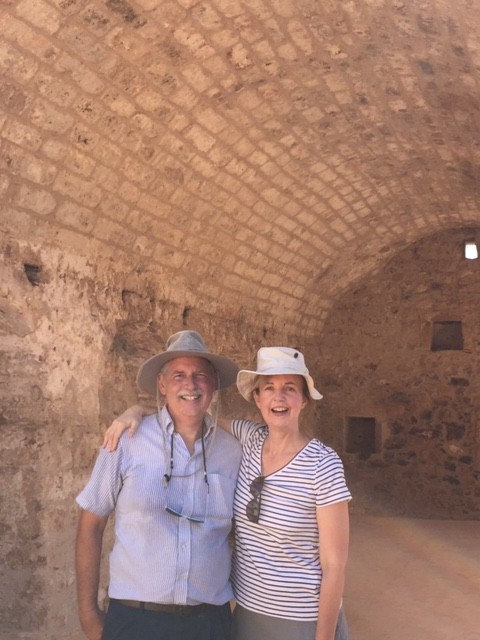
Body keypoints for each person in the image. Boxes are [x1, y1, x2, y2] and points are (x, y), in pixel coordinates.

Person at [105, 345, 352, 640]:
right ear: (257, 398)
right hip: (247, 616)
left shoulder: (322, 464)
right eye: (269, 388)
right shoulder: (249, 439)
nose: (279, 397)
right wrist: (136, 411)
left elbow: (334, 565)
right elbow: (189, 413)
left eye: (290, 388)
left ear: (304, 399)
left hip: (300, 619)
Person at [75, 330, 242, 640]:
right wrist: (88, 614)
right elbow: (91, 523)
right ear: (162, 384)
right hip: (136, 620)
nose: (190, 384)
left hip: (209, 623)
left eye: (200, 375)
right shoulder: (126, 441)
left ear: (214, 384)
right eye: (179, 375)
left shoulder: (233, 451)